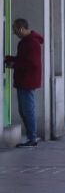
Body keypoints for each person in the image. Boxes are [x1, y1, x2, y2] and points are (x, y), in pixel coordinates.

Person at [4, 17, 43, 147]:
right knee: (23, 110)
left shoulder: (31, 43)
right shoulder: (26, 42)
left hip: (28, 81)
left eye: (15, 30)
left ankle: (32, 138)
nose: (14, 33)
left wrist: (14, 64)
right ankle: (31, 138)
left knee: (27, 110)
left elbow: (32, 63)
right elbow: (23, 59)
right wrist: (9, 59)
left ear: (21, 28)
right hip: (24, 81)